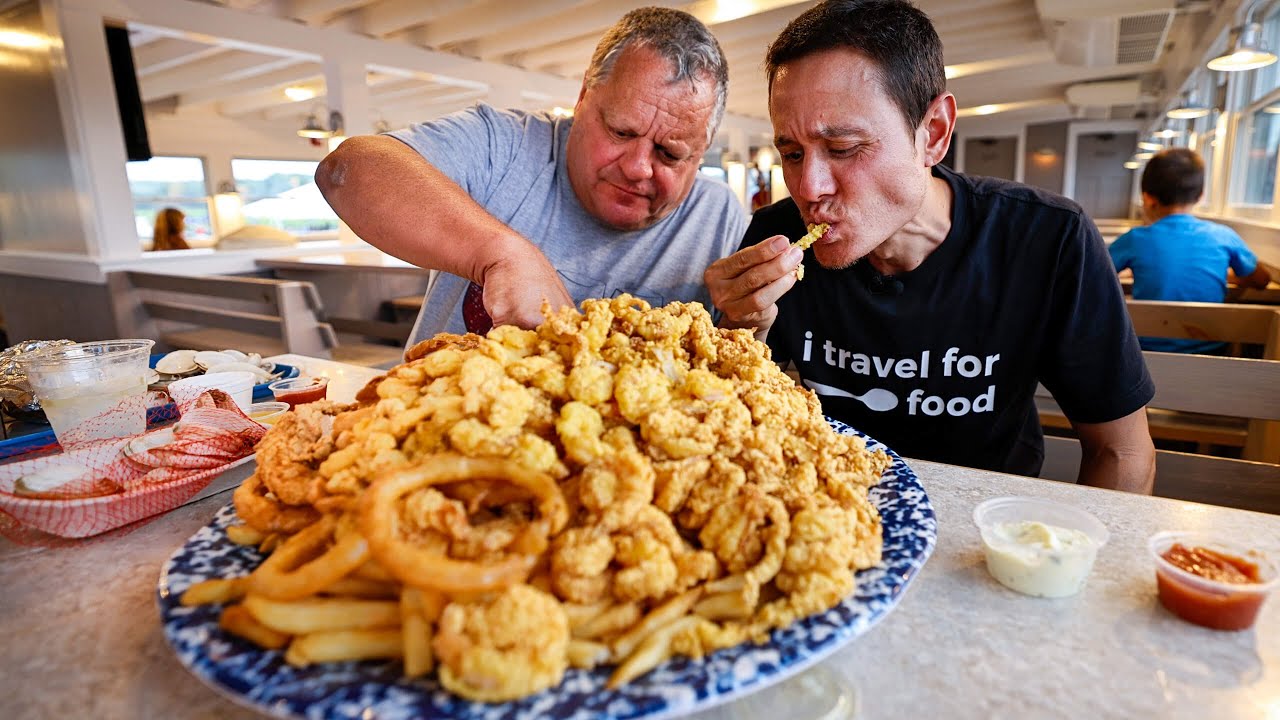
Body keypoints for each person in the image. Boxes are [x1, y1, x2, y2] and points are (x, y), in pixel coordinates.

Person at [705, 0, 1156, 493]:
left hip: (989, 520)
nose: (808, 188)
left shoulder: (1047, 239)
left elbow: (1121, 450)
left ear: (934, 134)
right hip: (835, 508)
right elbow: (724, 430)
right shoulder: (777, 238)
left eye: (844, 148)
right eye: (791, 153)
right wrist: (739, 330)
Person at [315, 7, 745, 346]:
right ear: (583, 99)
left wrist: (750, 320)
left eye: (670, 153)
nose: (637, 168)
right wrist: (503, 255)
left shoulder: (719, 215)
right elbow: (345, 169)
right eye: (620, 132)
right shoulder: (506, 144)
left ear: (702, 152)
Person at [1109, 147, 1271, 354]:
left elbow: (1093, 277)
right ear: (1201, 196)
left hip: (1146, 353)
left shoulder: (1135, 239)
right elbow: (1261, 280)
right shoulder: (1223, 235)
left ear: (1148, 199)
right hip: (1214, 353)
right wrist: (1227, 275)